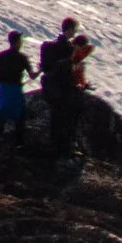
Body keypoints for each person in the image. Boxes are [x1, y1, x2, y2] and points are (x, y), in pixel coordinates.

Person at [39, 17, 80, 155]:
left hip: (51, 87)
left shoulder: (49, 46)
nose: (75, 33)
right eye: (74, 29)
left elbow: (45, 67)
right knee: (67, 119)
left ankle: (53, 145)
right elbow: (71, 71)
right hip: (64, 88)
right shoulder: (69, 48)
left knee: (55, 118)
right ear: (69, 29)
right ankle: (65, 148)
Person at [0, 31, 32, 143]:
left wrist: (1, 82)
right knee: (19, 116)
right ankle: (19, 143)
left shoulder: (0, 56)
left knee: (0, 115)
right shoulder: (22, 57)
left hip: (3, 89)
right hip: (16, 89)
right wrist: (42, 69)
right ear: (18, 42)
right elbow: (32, 75)